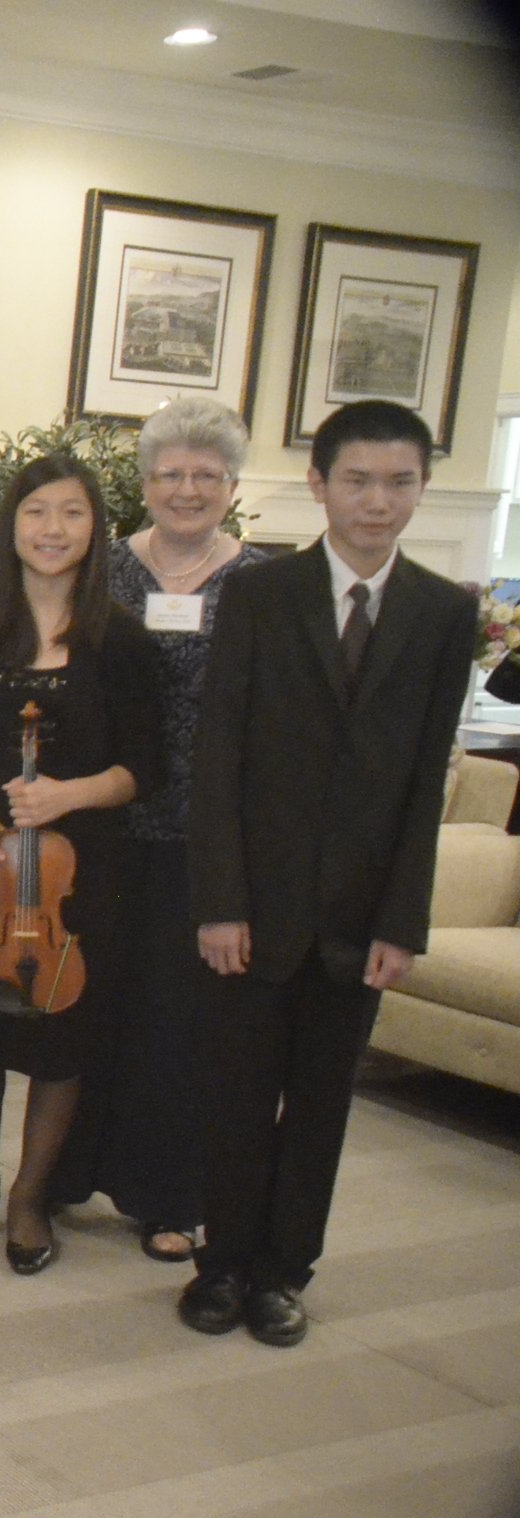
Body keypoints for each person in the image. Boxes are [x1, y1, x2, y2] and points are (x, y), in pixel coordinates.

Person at [181, 400, 474, 1347]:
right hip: (253, 911)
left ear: (422, 488)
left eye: (400, 482)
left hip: (359, 920)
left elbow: (426, 781)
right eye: (358, 480)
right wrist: (219, 901)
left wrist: (403, 923)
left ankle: (281, 1273)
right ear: (320, 484)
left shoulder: (443, 612)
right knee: (232, 1095)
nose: (378, 502)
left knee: (319, 1109)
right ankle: (221, 1263)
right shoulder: (262, 596)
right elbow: (217, 757)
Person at [50, 399, 263, 1264]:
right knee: (90, 1001)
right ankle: (64, 1173)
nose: (186, 490)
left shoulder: (260, 583)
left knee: (181, 1023)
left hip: (202, 837)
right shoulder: (101, 572)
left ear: (231, 487)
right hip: (103, 827)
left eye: (205, 476)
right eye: (170, 474)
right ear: (143, 485)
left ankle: (169, 1195)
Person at [0, 453, 157, 1275]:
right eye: (37, 513)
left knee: (64, 1034)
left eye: (71, 513)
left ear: (95, 529)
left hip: (79, 869)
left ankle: (32, 1193)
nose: (52, 530)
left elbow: (144, 768)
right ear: (12, 527)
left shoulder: (120, 641)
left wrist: (69, 795)